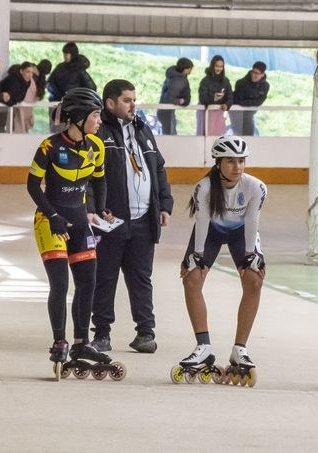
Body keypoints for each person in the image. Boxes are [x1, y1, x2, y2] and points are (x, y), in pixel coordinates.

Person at [26, 87, 116, 372]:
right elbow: (32, 185)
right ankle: (59, 341)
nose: (99, 121)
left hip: (79, 221)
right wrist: (52, 216)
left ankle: (81, 341)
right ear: (78, 117)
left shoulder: (96, 146)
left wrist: (101, 208)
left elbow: (100, 180)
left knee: (88, 281)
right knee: (61, 284)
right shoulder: (49, 146)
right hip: (50, 221)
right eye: (95, 115)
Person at [90, 79, 174, 353]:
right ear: (110, 103)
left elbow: (158, 168)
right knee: (105, 278)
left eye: (134, 99)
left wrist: (164, 204)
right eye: (127, 100)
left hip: (144, 222)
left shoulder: (142, 130)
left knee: (141, 279)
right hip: (111, 222)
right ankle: (102, 334)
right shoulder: (99, 133)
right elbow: (88, 176)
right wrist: (93, 208)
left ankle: (145, 333)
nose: (133, 105)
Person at [175, 136, 267, 385]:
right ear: (218, 163)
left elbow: (253, 221)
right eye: (230, 161)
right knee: (191, 279)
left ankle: (240, 349)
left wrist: (251, 255)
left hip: (241, 233)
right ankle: (203, 346)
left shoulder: (256, 187)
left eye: (241, 161)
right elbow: (202, 222)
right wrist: (197, 256)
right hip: (211, 232)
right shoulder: (204, 187)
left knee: (254, 280)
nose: (237, 167)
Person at [48, 42, 97, 132]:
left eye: (68, 54)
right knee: (56, 130)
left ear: (73, 54)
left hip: (74, 107)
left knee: (71, 130)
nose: (65, 56)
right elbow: (50, 83)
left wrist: (79, 99)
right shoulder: (60, 67)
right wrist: (58, 95)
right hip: (57, 104)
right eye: (64, 54)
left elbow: (92, 88)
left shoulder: (79, 70)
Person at [229, 61, 270, 136]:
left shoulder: (265, 86)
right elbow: (239, 101)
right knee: (237, 135)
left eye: (256, 73)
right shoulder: (241, 83)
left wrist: (246, 103)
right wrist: (250, 102)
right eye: (253, 72)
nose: (253, 75)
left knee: (249, 136)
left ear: (262, 74)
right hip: (236, 113)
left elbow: (259, 102)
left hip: (249, 114)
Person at [0, 62, 41, 133]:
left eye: (32, 73)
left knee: (18, 128)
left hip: (22, 109)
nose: (30, 75)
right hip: (21, 109)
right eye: (28, 72)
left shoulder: (28, 83)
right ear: (21, 71)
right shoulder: (16, 82)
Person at [197, 55, 232, 136]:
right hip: (206, 113)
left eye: (221, 66)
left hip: (219, 114)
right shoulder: (205, 81)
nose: (219, 69)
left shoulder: (226, 81)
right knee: (205, 134)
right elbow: (202, 98)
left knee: (218, 136)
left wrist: (227, 105)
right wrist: (214, 99)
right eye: (217, 66)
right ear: (212, 66)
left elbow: (230, 97)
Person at [157, 57, 193, 136]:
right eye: (190, 68)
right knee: (170, 135)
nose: (191, 70)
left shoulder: (173, 77)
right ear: (185, 69)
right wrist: (181, 101)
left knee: (170, 133)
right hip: (167, 112)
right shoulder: (178, 81)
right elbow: (169, 99)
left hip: (166, 111)